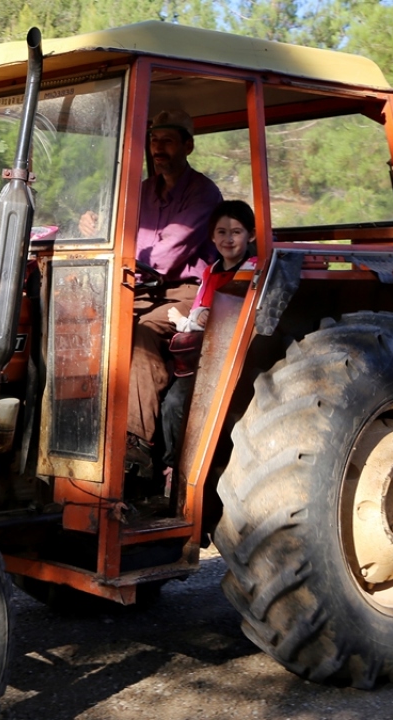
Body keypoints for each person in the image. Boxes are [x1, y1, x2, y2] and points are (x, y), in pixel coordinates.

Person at [120, 109, 224, 482]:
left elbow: (166, 254)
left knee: (145, 330)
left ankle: (135, 446)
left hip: (185, 293)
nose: (158, 148)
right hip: (138, 286)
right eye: (153, 140)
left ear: (187, 145)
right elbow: (119, 231)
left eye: (166, 140)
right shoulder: (142, 190)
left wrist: (126, 249)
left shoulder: (203, 193)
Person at [159, 200, 258, 488]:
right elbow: (199, 313)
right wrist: (187, 320)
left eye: (236, 232)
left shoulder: (251, 269)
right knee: (171, 402)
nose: (229, 239)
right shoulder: (210, 271)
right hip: (203, 351)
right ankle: (169, 468)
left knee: (179, 401)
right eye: (222, 232)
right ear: (212, 237)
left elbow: (232, 313)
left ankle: (186, 472)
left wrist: (193, 318)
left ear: (250, 235)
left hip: (231, 354)